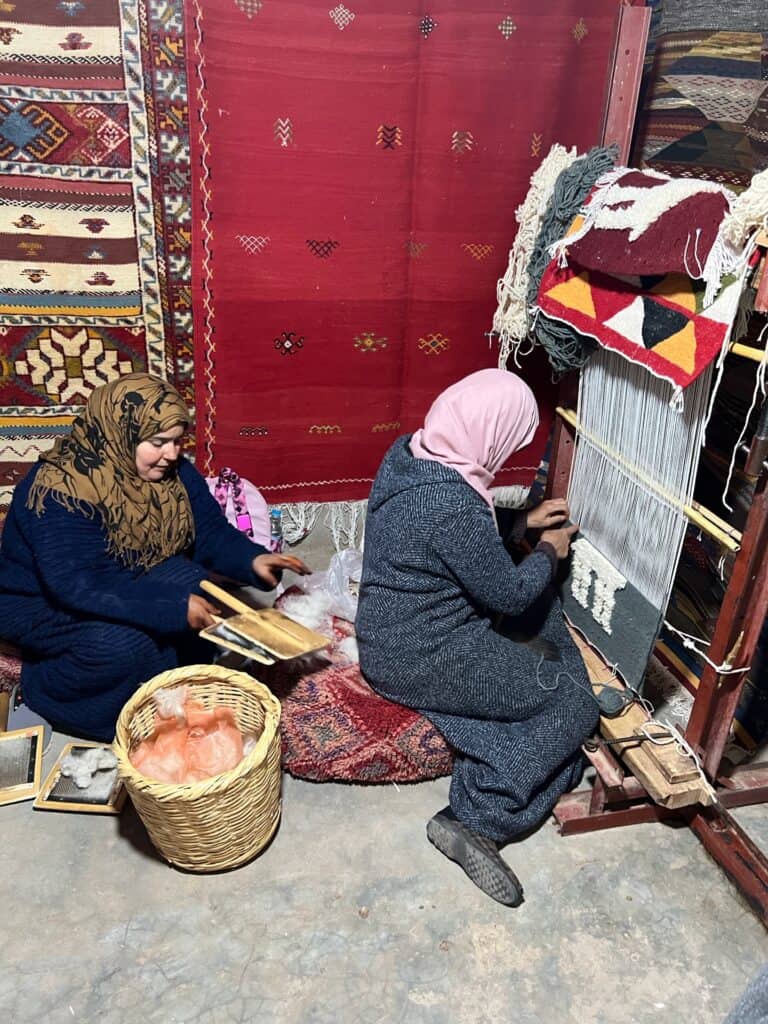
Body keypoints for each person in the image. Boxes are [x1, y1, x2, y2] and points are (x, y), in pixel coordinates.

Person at [355, 368, 598, 907]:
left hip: (387, 638)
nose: (507, 454)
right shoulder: (453, 504)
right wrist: (549, 548)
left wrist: (518, 521)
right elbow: (508, 595)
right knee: (574, 705)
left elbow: (450, 537)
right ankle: (476, 817)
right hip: (424, 654)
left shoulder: (409, 459)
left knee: (540, 654)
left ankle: (518, 760)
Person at [0, 373, 308, 741]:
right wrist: (169, 606)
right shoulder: (59, 492)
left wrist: (253, 561)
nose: (173, 453)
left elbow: (208, 531)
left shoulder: (170, 471)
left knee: (199, 587)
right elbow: (79, 584)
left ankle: (173, 685)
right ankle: (50, 693)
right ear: (120, 435)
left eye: (178, 441)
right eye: (158, 442)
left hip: (121, 571)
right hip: (38, 600)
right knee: (125, 646)